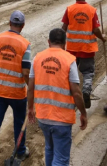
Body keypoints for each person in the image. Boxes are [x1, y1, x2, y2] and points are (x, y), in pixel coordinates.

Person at [28, 28, 87, 166]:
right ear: (64, 44)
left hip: (43, 117)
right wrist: (83, 113)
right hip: (62, 119)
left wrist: (30, 108)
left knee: (50, 148)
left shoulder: (37, 58)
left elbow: (30, 87)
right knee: (60, 158)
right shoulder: (69, 60)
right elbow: (77, 92)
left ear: (49, 42)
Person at [0, 10, 31, 166]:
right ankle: (21, 151)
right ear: (22, 26)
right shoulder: (25, 45)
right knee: (19, 122)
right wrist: (31, 87)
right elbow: (25, 71)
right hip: (17, 94)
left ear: (10, 23)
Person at [61, 0, 106, 108]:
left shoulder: (69, 9)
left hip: (71, 49)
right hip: (87, 48)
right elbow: (96, 30)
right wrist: (102, 37)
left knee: (70, 73)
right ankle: (86, 90)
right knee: (87, 72)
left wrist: (59, 44)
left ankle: (69, 96)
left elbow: (63, 29)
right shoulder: (92, 10)